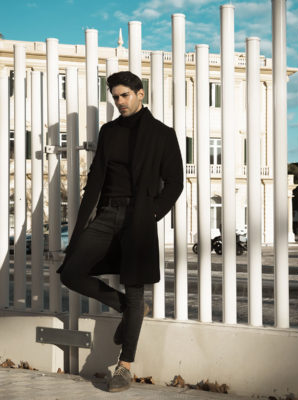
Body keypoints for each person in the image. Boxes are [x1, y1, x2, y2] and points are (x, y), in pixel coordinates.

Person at [57, 71, 183, 392]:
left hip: (139, 217)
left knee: (136, 286)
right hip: (107, 212)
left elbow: (175, 182)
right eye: (115, 97)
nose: (120, 101)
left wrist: (153, 212)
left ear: (140, 94)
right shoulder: (109, 131)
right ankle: (127, 307)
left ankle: (124, 366)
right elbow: (97, 176)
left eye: (125, 95)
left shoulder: (162, 134)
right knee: (71, 272)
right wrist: (85, 218)